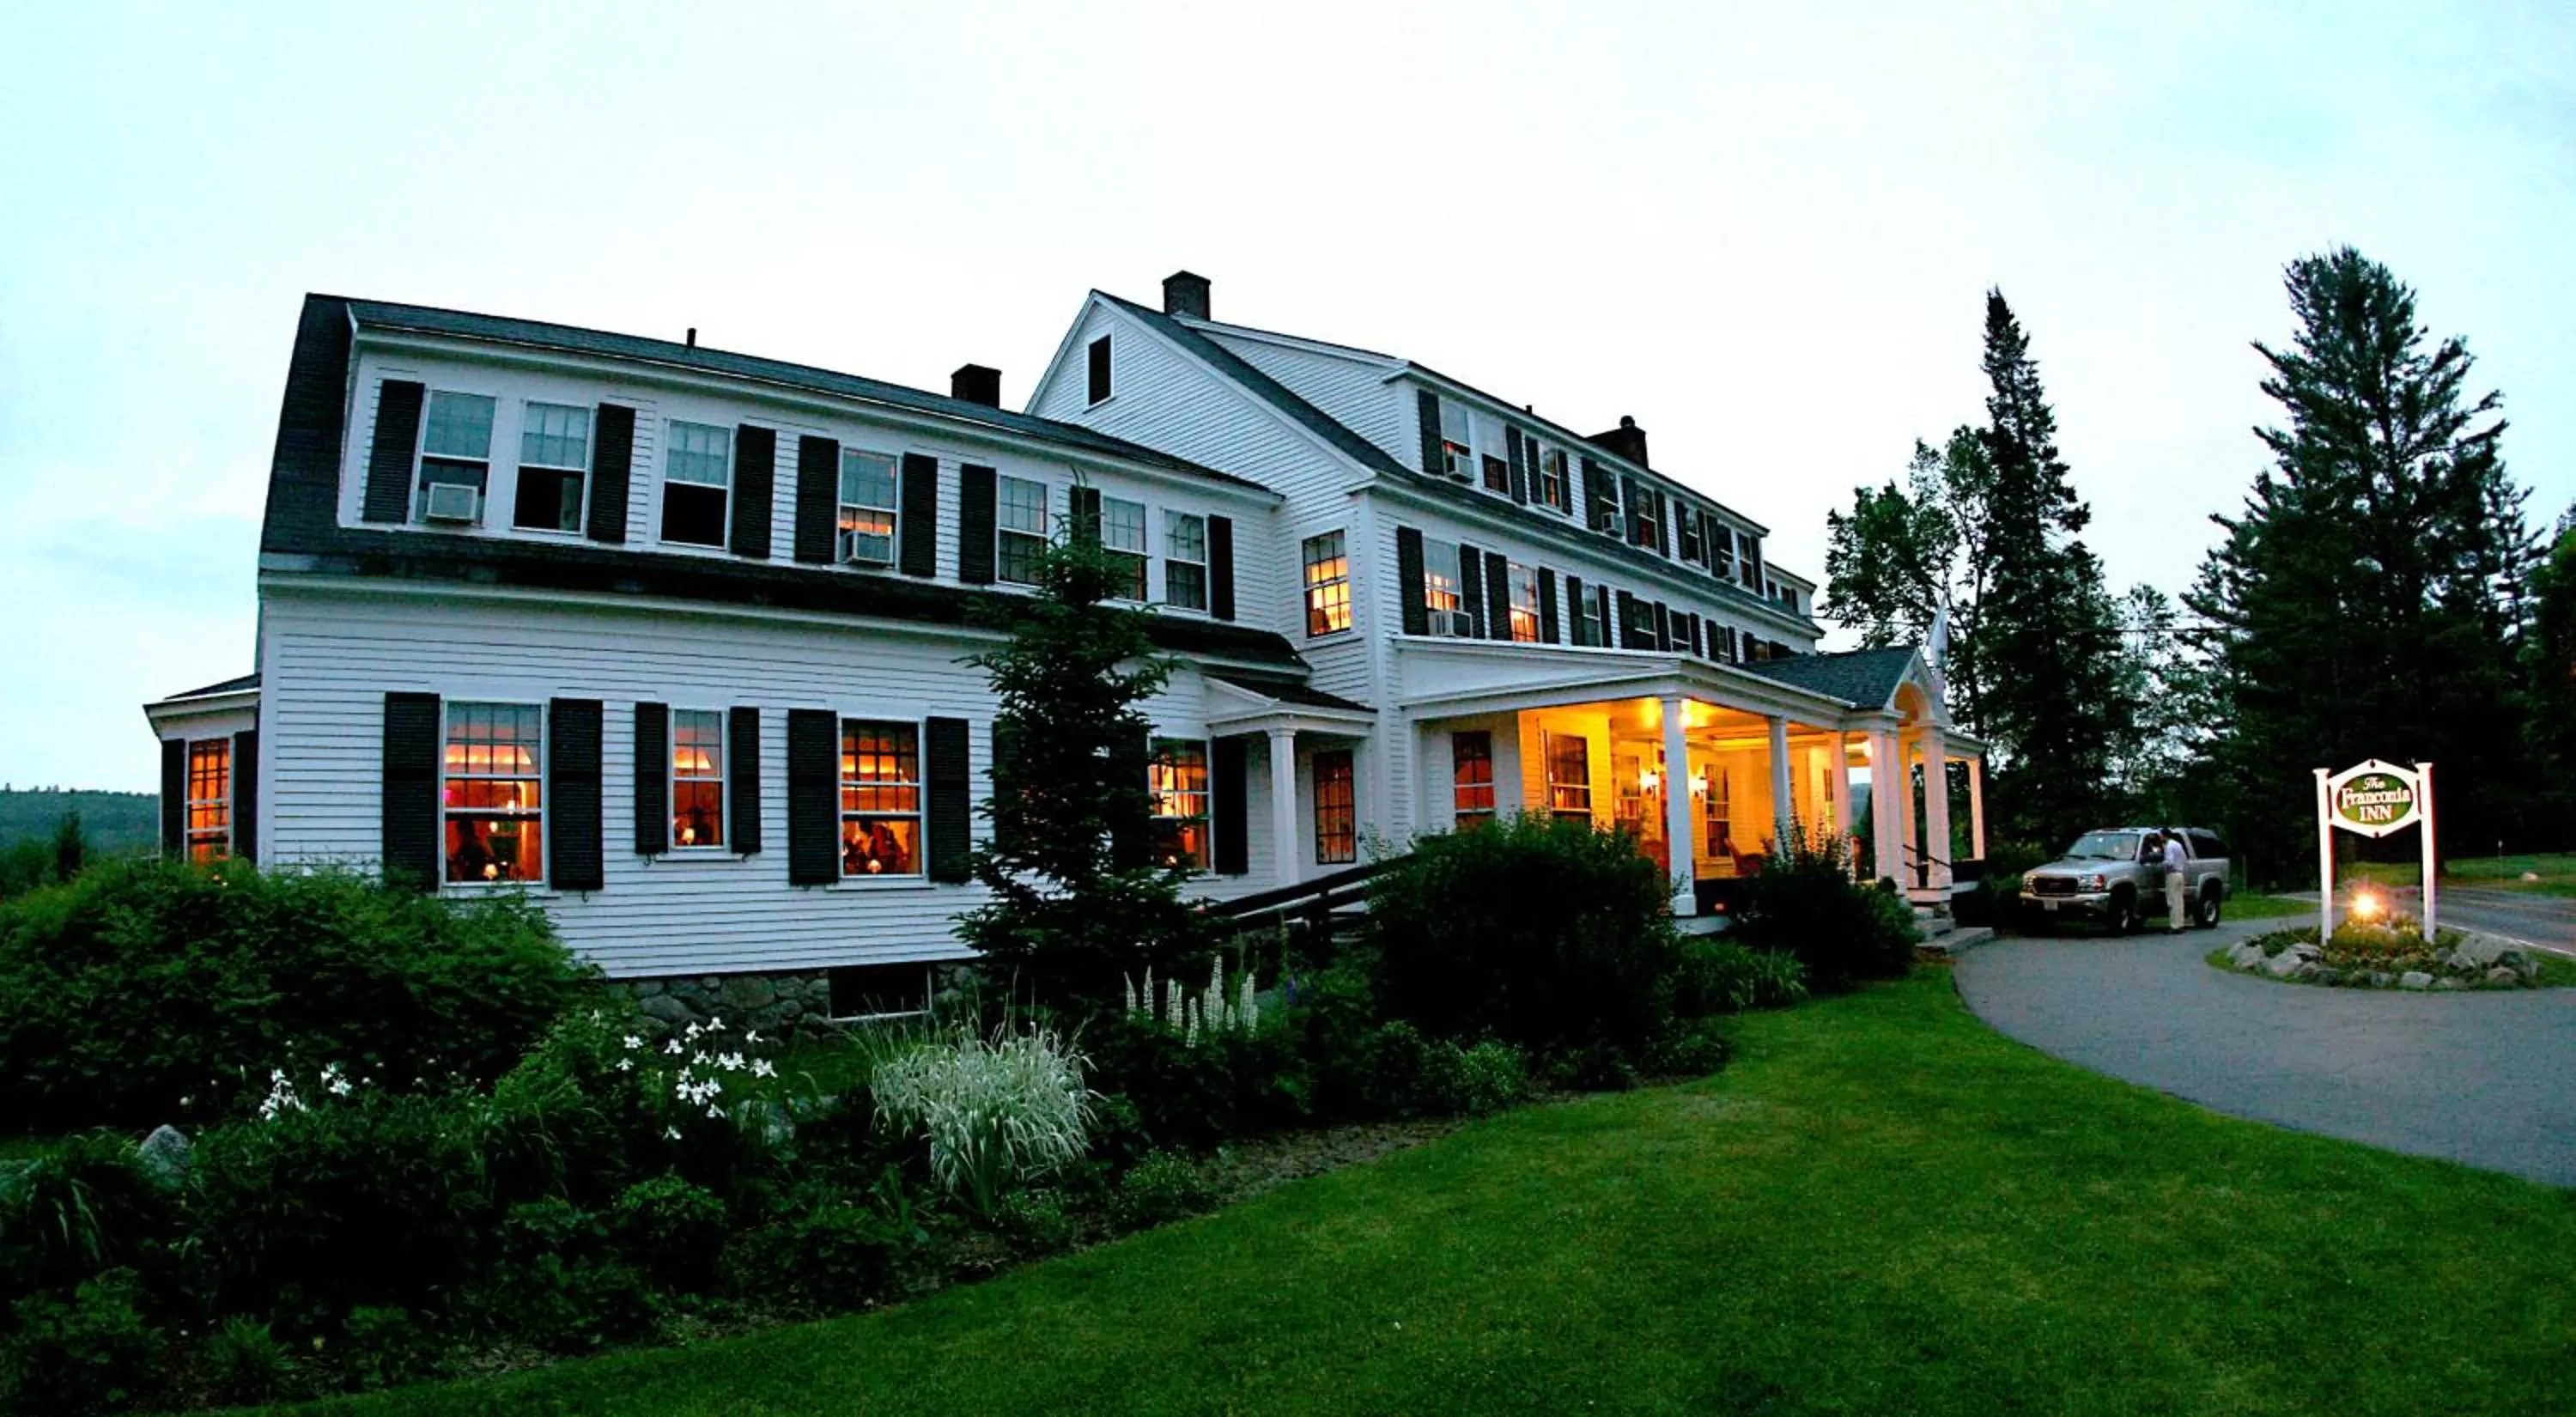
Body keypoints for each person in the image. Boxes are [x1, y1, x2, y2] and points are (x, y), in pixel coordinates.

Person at [2161, 829, 2190, 933]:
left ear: (2164, 836)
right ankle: (2180, 924)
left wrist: (2163, 865)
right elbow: (2184, 857)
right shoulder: (2177, 844)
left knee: (2172, 901)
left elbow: (2169, 862)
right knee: (2179, 901)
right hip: (2180, 873)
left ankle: (2174, 926)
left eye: (2161, 836)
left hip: (2172, 874)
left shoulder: (2169, 846)